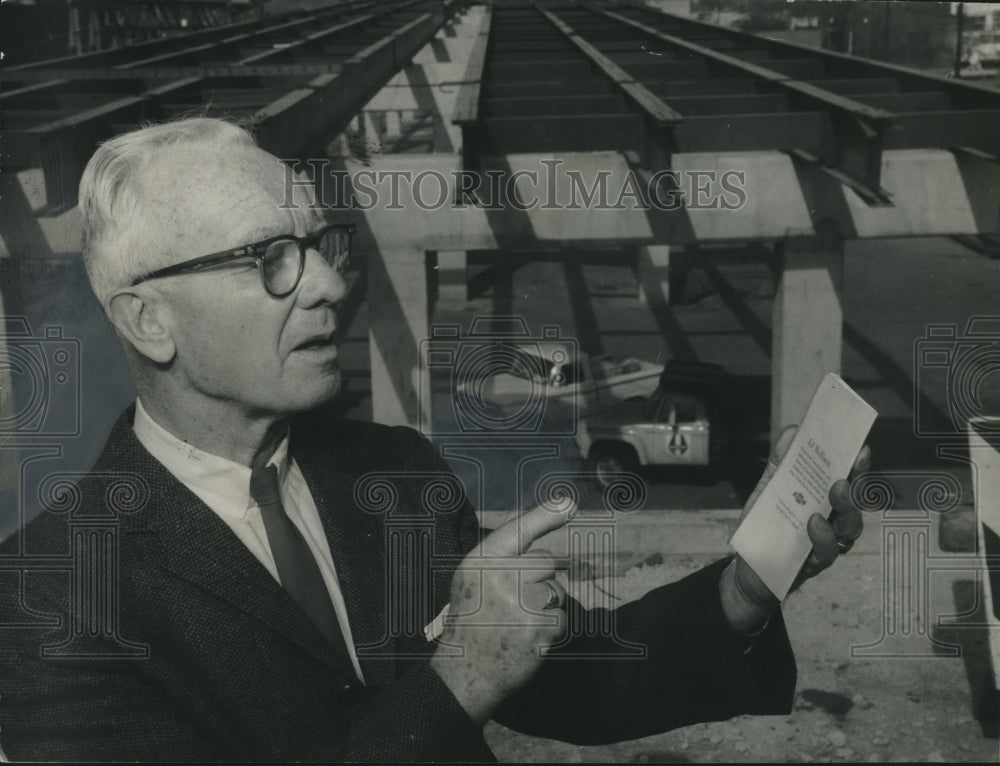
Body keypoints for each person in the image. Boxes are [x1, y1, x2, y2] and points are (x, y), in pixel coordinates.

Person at [0, 118, 868, 761]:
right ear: (149, 320)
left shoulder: (392, 472)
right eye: (270, 257)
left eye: (322, 244)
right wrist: (457, 681)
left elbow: (569, 679)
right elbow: (473, 673)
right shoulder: (48, 595)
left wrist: (745, 588)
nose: (331, 285)